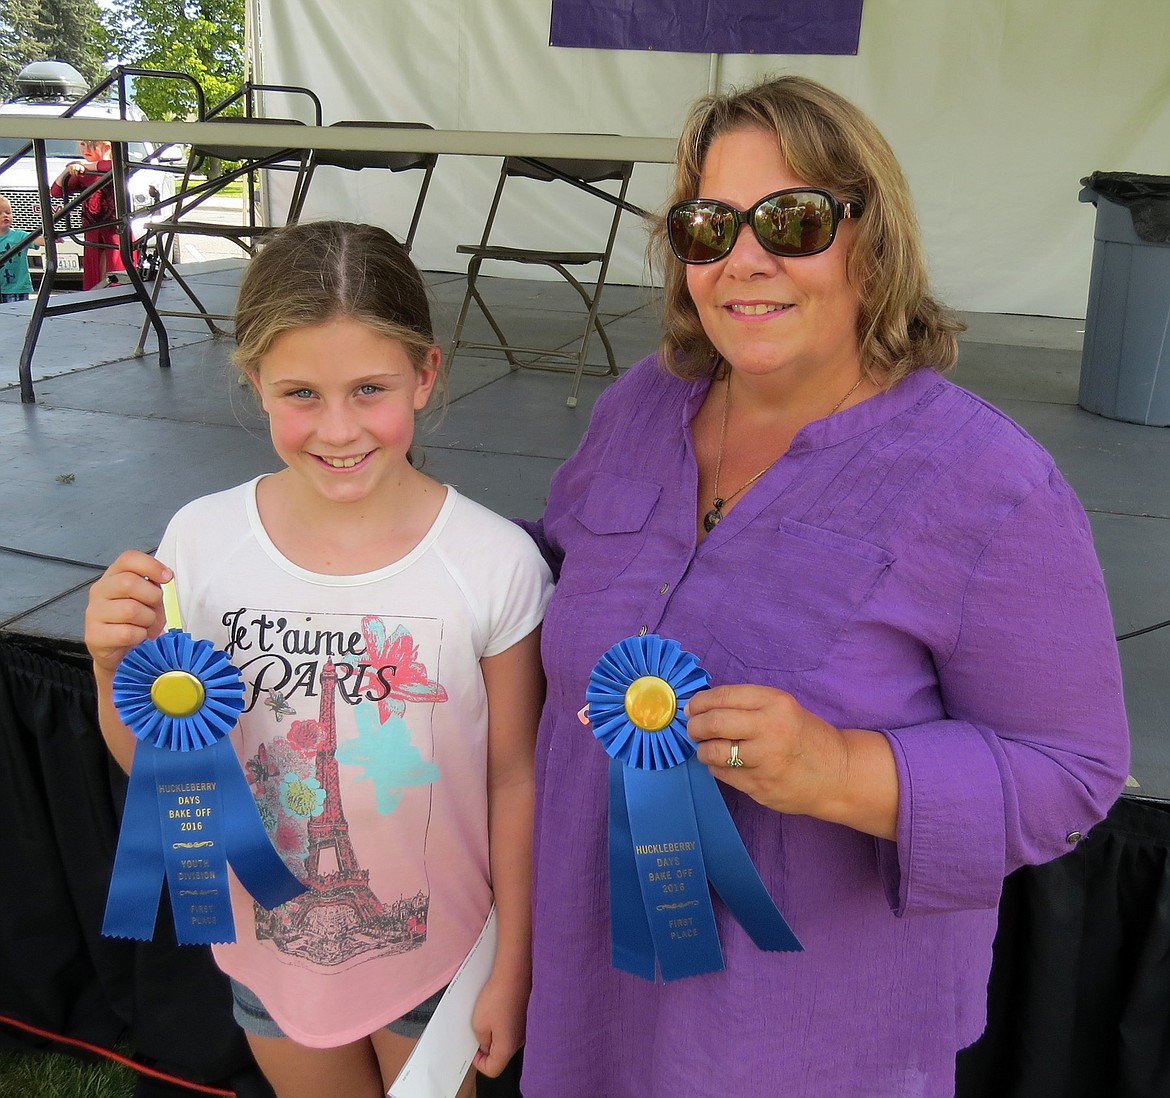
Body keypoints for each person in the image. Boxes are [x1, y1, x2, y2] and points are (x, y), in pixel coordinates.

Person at [518, 75, 1130, 1097]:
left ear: (870, 239)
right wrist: (358, 554)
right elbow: (548, 575)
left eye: (792, 221)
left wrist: (842, 768)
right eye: (708, 227)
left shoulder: (986, 481)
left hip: (807, 1037)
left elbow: (1071, 774)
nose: (744, 260)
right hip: (597, 993)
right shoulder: (640, 406)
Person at [84, 220, 552, 1098]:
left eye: (368, 388)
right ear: (254, 381)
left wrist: (514, 964)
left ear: (425, 375)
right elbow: (164, 770)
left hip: (444, 959)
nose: (338, 429)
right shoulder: (201, 540)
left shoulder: (493, 563)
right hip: (270, 957)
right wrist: (115, 669)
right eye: (301, 392)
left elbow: (517, 779)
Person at [50, 138, 127, 289]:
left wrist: (85, 166)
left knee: (116, 271)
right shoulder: (81, 171)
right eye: (83, 144)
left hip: (115, 228)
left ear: (106, 147)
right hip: (92, 228)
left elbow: (115, 166)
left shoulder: (112, 166)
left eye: (92, 145)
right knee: (95, 272)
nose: (87, 149)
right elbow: (56, 192)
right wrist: (68, 169)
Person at [0, 194, 39, 301]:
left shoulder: (19, 236)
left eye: (8, 212)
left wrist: (49, 237)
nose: (5, 216)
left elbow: (36, 239)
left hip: (17, 288)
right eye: (0, 213)